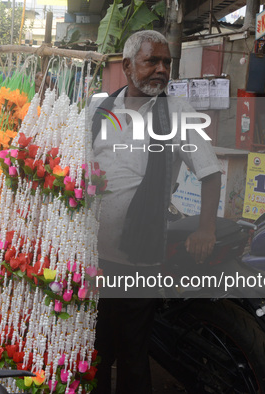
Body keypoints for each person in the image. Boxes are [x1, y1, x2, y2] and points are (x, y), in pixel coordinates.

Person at [91, 30, 222, 393]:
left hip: (140, 256)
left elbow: (210, 174)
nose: (162, 69)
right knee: (93, 349)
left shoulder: (177, 112)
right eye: (153, 61)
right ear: (128, 66)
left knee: (133, 354)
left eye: (167, 62)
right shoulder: (99, 108)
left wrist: (206, 229)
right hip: (91, 254)